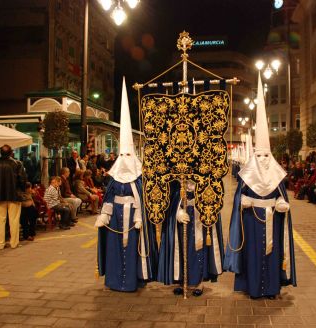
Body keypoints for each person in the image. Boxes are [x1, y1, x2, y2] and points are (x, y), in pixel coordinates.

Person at [224, 74, 296, 299]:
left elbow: (282, 196)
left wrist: (283, 203)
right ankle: (253, 287)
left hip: (272, 218)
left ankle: (272, 287)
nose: (264, 159)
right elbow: (238, 198)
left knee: (272, 252)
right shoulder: (246, 176)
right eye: (260, 154)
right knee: (253, 253)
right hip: (251, 221)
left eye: (267, 155)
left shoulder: (276, 174)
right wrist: (241, 203)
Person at [95, 77, 154, 292]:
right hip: (116, 219)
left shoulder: (139, 175)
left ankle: (132, 280)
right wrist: (104, 215)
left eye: (130, 154)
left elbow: (141, 197)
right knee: (114, 249)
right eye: (124, 154)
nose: (126, 157)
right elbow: (109, 198)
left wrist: (139, 217)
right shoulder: (114, 177)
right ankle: (113, 281)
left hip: (132, 218)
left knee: (132, 250)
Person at [157, 180, 224, 297]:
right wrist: (177, 212)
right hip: (182, 217)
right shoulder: (176, 178)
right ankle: (181, 281)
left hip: (199, 216)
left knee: (198, 248)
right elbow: (169, 198)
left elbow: (215, 194)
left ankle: (199, 282)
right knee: (181, 247)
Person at [0, 145, 27, 249]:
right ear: (11, 152)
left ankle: (0, 244)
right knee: (14, 220)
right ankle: (14, 243)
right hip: (14, 195)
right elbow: (22, 180)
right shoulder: (17, 164)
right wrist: (22, 190)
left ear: (0, 152)